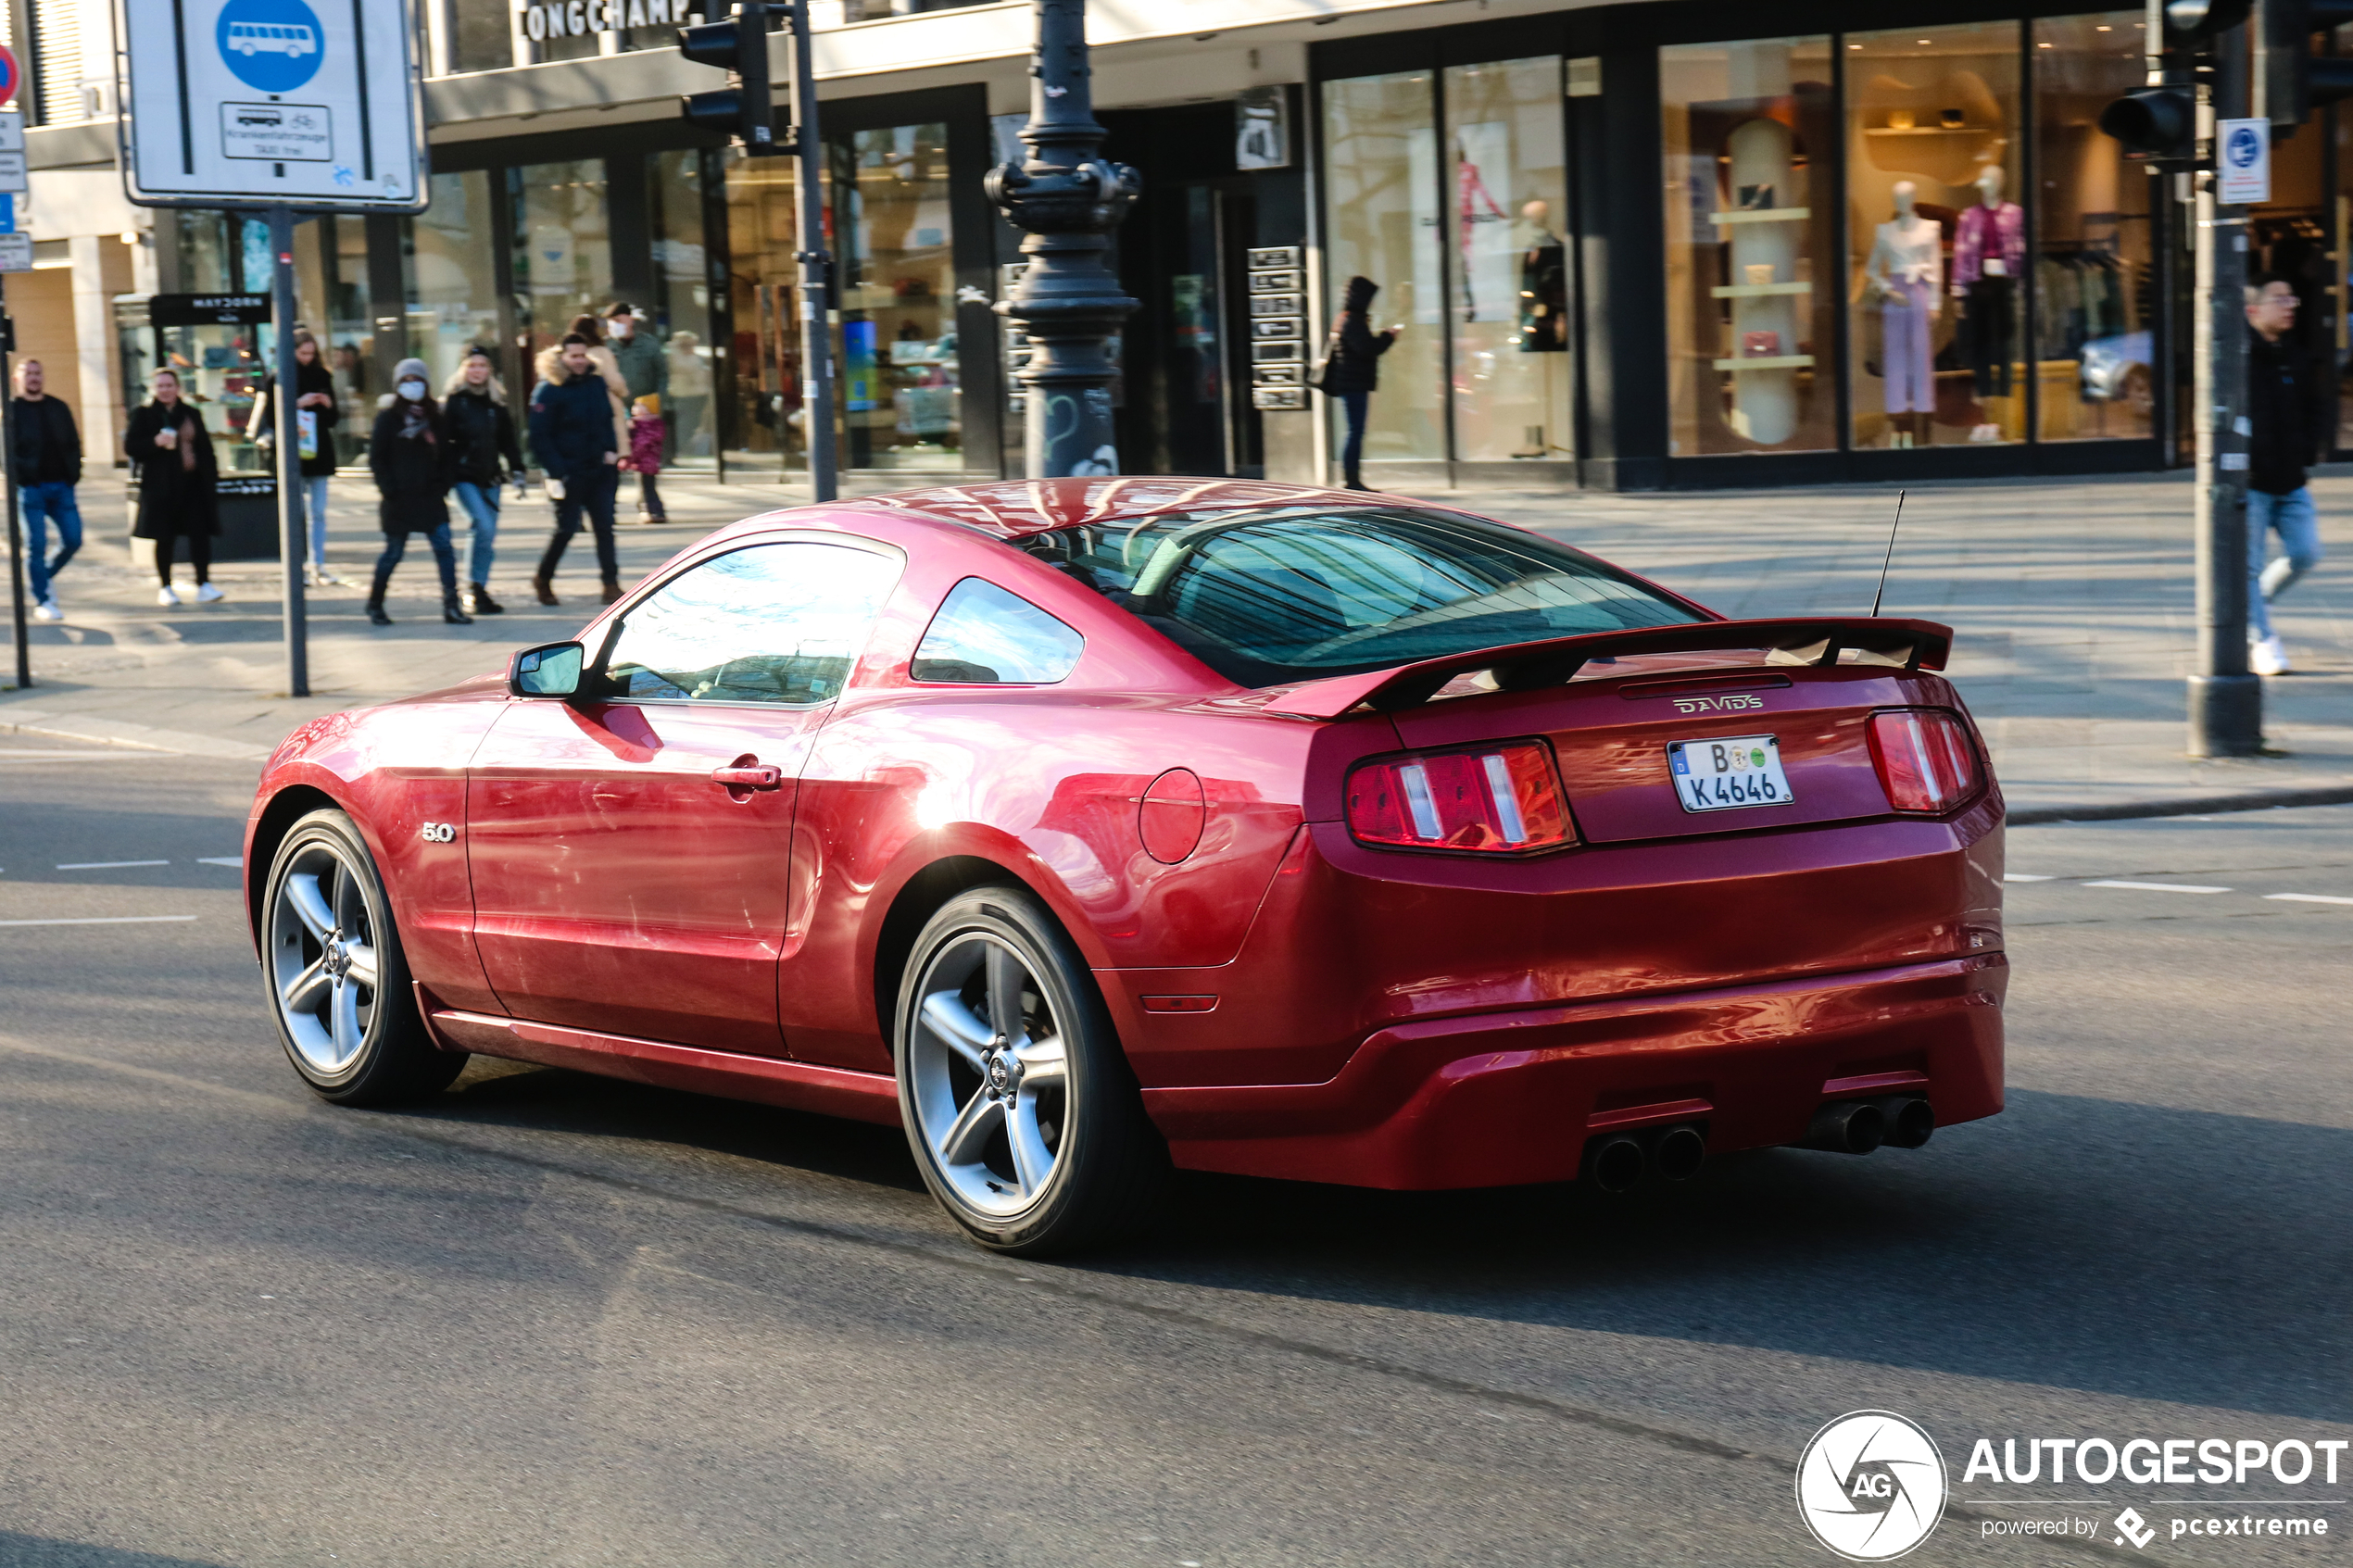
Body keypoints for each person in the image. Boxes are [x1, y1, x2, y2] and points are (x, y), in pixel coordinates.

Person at [2246, 274, 2329, 676]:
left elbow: (2315, 408)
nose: (2290, 304)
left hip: (2291, 479)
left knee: (2306, 552)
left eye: (2292, 298)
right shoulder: (2241, 357)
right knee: (2247, 566)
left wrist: (2306, 451)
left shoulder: (2294, 356)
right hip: (2252, 483)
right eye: (2279, 299)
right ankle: (2263, 642)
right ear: (2253, 310)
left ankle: (2259, 598)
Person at [365, 358, 470, 627]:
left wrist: (443, 484)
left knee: (444, 549)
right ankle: (375, 604)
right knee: (393, 553)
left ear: (426, 383)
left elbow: (447, 454)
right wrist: (388, 488)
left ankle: (451, 605)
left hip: (430, 496)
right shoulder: (389, 418)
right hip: (398, 498)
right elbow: (377, 457)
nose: (412, 386)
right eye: (406, 381)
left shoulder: (436, 417)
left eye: (417, 380)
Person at [528, 333, 623, 606]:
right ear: (562, 357)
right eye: (574, 356)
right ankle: (543, 578)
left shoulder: (596, 383)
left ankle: (610, 584)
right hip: (569, 472)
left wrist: (611, 450)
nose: (579, 361)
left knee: (605, 527)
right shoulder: (549, 389)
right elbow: (539, 436)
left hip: (600, 470)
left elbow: (607, 420)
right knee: (566, 528)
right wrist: (558, 471)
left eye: (583, 355)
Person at [125, 369, 223, 608]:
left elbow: (205, 447)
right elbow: (131, 446)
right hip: (161, 486)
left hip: (192, 484)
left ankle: (204, 584)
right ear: (154, 389)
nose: (165, 390)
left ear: (178, 388)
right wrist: (154, 442)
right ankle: (166, 586)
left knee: (199, 534)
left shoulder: (191, 413)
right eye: (160, 386)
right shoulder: (144, 415)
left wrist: (210, 474)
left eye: (169, 385)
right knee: (164, 537)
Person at [253, 330, 344, 585]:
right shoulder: (279, 379)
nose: (307, 358)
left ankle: (318, 563)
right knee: (296, 512)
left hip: (319, 451)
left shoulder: (322, 375)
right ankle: (298, 565)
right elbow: (272, 419)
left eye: (311, 354)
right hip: (294, 451)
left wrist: (326, 404)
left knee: (318, 512)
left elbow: (332, 419)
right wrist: (297, 403)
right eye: (302, 353)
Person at [442, 347, 522, 615]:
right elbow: (443, 443)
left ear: (489, 370)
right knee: (482, 525)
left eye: (482, 365)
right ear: (464, 369)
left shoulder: (496, 404)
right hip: (463, 476)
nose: (477, 370)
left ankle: (479, 587)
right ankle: (471, 587)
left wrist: (518, 469)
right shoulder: (454, 401)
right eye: (472, 365)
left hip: (490, 477)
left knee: (488, 537)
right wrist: (444, 475)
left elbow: (508, 440)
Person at [9, 358, 82, 621]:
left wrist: (74, 473)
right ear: (17, 379)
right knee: (36, 545)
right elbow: (5, 453)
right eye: (28, 373)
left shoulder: (58, 407)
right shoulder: (11, 411)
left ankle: (44, 576)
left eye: (38, 373)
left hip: (63, 487)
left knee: (73, 540)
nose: (34, 378)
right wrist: (23, 478)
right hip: (32, 490)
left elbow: (74, 442)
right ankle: (44, 600)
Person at [1319, 275, 1396, 491]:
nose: (1371, 303)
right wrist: (1387, 337)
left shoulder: (1347, 318)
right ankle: (1351, 479)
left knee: (1355, 431)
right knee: (1355, 431)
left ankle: (1352, 478)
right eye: (1369, 298)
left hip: (1351, 383)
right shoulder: (1352, 320)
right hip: (1352, 384)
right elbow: (1366, 348)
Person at [605, 302, 669, 521]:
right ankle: (608, 509)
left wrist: (657, 405)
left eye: (619, 320)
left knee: (646, 460)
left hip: (646, 413)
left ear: (629, 320)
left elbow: (662, 374)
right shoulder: (606, 348)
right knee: (615, 460)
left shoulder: (649, 344)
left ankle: (650, 504)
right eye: (611, 322)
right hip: (616, 413)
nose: (615, 325)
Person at [665, 330, 711, 461]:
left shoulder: (694, 356)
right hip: (683, 395)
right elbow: (682, 367)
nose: (690, 346)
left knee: (692, 424)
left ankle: (682, 449)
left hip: (698, 395)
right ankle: (677, 450)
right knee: (684, 425)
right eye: (687, 343)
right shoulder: (673, 354)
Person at [628, 395, 667, 525]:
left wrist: (630, 457)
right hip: (646, 463)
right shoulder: (641, 423)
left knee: (647, 488)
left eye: (639, 406)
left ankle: (654, 512)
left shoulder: (646, 425)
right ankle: (648, 510)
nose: (634, 408)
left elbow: (640, 444)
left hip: (644, 463)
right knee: (646, 488)